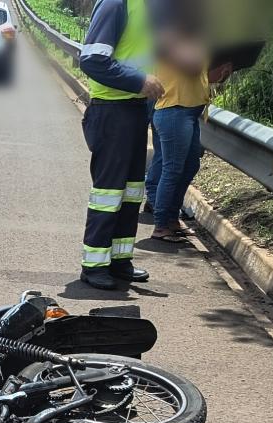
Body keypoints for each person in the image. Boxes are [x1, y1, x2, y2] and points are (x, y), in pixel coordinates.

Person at [78, 0, 164, 290]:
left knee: (130, 192)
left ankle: (119, 260)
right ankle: (94, 266)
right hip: (112, 111)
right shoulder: (117, 3)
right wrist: (137, 80)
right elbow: (91, 59)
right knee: (108, 192)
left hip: (134, 110)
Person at [142, 15, 214, 243]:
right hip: (174, 109)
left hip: (190, 110)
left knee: (190, 164)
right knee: (172, 169)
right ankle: (162, 225)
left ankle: (172, 219)